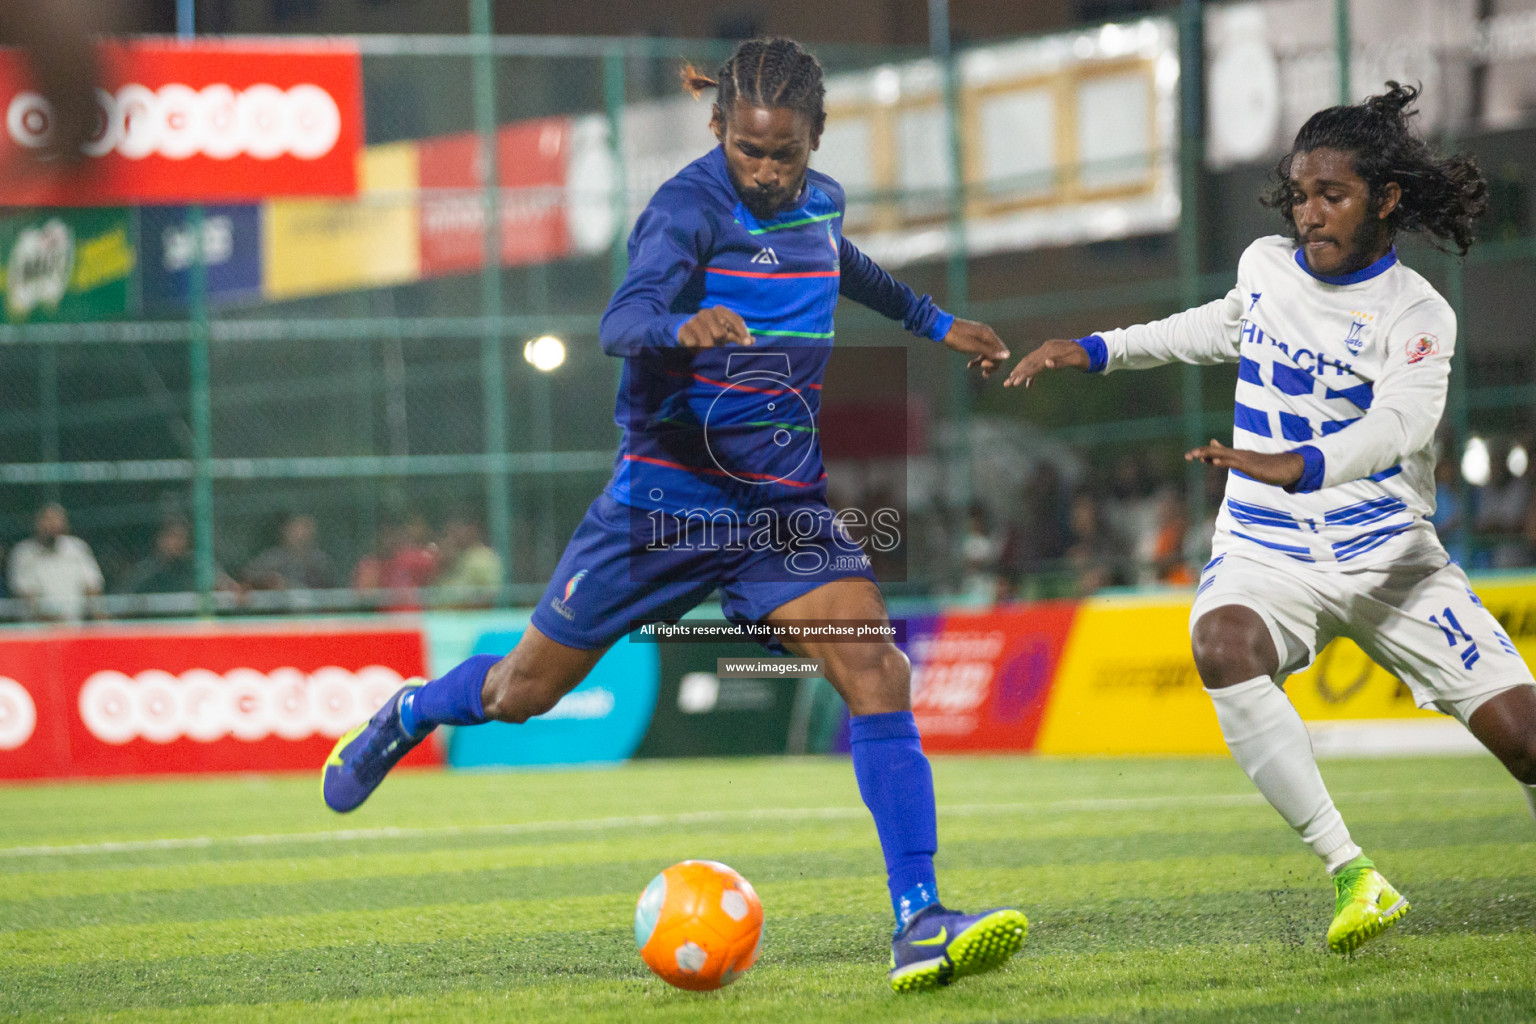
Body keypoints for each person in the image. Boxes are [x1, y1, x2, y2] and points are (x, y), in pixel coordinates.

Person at [321, 37, 1025, 993]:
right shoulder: (686, 208)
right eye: (748, 150)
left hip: (779, 503)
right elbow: (621, 319)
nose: (769, 172)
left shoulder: (818, 201)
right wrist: (676, 325)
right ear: (717, 130)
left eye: (786, 152)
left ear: (817, 138)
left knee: (878, 666)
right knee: (524, 693)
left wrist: (934, 323)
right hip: (663, 501)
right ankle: (408, 713)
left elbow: (837, 260)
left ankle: (920, 920)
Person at [1006, 83, 1536, 955]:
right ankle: (1354, 874)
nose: (1311, 213)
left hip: (1388, 557)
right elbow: (1213, 326)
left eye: (1333, 195)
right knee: (1220, 642)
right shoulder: (1267, 268)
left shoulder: (1416, 314)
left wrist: (1302, 463)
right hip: (1270, 548)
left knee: (1524, 741)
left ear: (1386, 201)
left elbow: (1402, 425)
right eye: (1300, 194)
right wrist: (1096, 350)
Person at [7, 502, 103, 622]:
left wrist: (100, 621)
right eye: (47, 519)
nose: (52, 525)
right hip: (36, 631)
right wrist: (53, 621)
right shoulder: (24, 553)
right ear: (37, 523)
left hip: (75, 627)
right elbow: (26, 596)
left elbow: (92, 586)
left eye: (57, 520)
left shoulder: (77, 549)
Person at [242, 513, 339, 592]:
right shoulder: (272, 559)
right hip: (279, 612)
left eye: (305, 529)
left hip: (312, 613)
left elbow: (331, 593)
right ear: (286, 532)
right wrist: (269, 582)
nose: (300, 536)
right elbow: (248, 579)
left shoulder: (321, 562)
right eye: (296, 530)